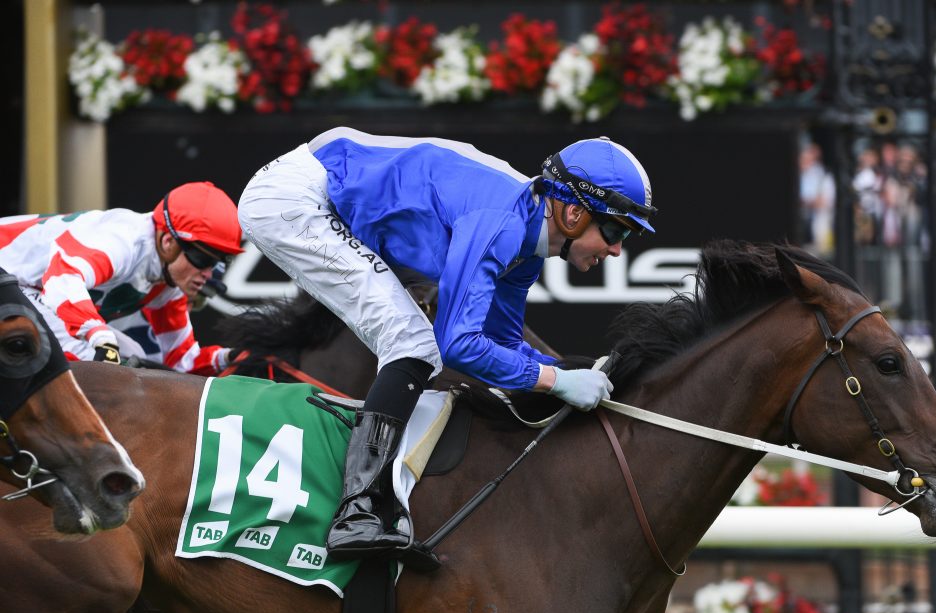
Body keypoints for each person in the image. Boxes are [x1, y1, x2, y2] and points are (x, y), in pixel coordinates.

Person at [237, 127, 656, 559]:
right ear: (573, 214)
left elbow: (501, 343)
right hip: (294, 200)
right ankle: (358, 513)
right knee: (414, 343)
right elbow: (458, 344)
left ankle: (368, 505)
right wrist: (555, 380)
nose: (616, 250)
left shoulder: (525, 248)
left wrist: (564, 372)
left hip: (320, 189)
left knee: (415, 342)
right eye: (614, 231)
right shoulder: (502, 224)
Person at [0, 181, 244, 374]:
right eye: (203, 259)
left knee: (134, 360)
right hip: (15, 278)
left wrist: (230, 357)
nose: (208, 274)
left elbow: (181, 362)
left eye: (218, 262)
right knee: (93, 359)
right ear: (168, 241)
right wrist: (98, 335)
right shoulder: (123, 240)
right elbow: (61, 279)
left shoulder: (169, 280)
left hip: (24, 289)